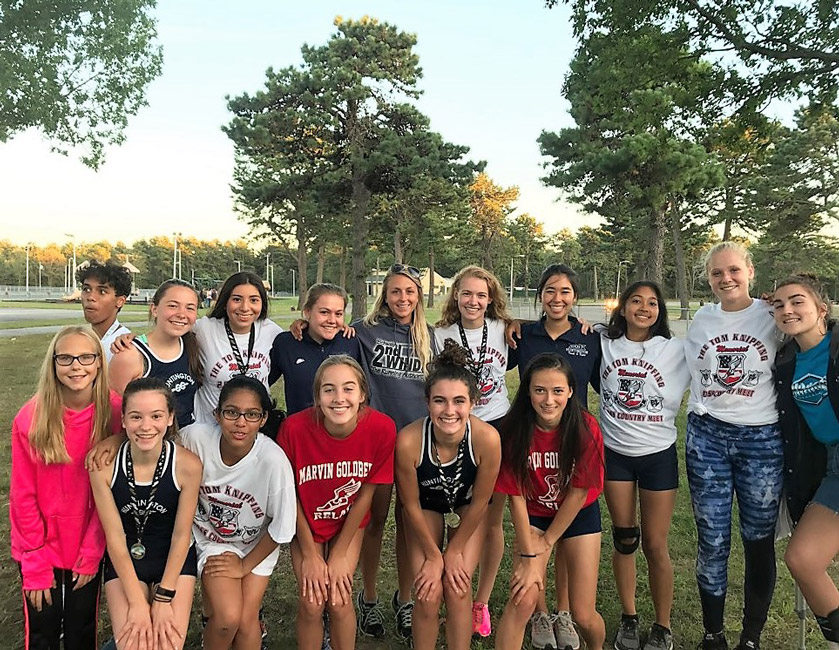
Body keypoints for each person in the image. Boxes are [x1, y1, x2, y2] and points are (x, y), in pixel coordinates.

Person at [684, 241, 782, 650]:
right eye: (717, 273)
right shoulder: (702, 320)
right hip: (707, 437)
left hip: (761, 438)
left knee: (758, 540)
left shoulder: (773, 315)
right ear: (708, 279)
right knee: (713, 540)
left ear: (750, 271)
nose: (726, 279)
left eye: (733, 271)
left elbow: (813, 329)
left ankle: (751, 637)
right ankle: (713, 634)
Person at [10, 325, 122, 650]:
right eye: (66, 358)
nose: (77, 366)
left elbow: (112, 493)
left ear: (100, 362)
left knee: (81, 627)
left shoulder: (115, 413)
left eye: (86, 357)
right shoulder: (31, 417)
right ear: (54, 364)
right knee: (43, 630)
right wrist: (33, 559)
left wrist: (91, 550)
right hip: (40, 545)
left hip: (88, 540)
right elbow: (23, 494)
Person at [508, 263, 601, 650]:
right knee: (538, 543)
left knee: (562, 544)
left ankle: (564, 612)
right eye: (549, 290)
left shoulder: (589, 338)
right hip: (534, 445)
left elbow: (610, 376)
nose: (557, 298)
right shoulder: (523, 334)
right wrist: (507, 320)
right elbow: (488, 356)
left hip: (571, 442)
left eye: (564, 291)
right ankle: (543, 614)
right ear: (540, 295)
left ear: (575, 297)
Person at [278, 355, 397, 650]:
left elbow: (366, 495)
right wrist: (311, 555)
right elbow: (289, 494)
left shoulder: (381, 428)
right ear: (317, 396)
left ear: (363, 394)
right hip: (305, 521)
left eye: (348, 388)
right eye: (329, 389)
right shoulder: (294, 429)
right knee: (311, 601)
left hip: (349, 523)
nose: (339, 398)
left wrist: (340, 554)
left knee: (339, 598)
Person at [598, 281, 689, 650]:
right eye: (636, 300)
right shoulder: (603, 342)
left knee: (654, 543)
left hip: (658, 454)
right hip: (615, 453)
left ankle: (662, 625)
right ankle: (629, 618)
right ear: (623, 307)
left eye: (652, 303)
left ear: (659, 312)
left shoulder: (676, 349)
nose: (644, 308)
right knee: (625, 539)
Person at [494, 353, 605, 650]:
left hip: (577, 514)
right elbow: (514, 495)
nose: (548, 400)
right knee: (522, 600)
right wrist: (531, 556)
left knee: (584, 613)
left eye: (557, 391)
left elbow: (581, 491)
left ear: (571, 391)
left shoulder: (585, 426)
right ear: (527, 390)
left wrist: (549, 540)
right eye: (539, 390)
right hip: (533, 515)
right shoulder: (513, 429)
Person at [396, 340, 501, 650]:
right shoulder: (408, 441)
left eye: (459, 401)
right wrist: (432, 555)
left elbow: (482, 501)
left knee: (457, 588)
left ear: (473, 402)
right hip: (425, 507)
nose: (450, 410)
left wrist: (453, 552)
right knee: (427, 593)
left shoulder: (487, 440)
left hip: (467, 507)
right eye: (440, 401)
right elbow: (410, 504)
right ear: (427, 402)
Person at [179, 374, 296, 650]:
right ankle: (211, 622)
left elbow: (283, 527)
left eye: (251, 414)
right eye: (231, 412)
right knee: (226, 620)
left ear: (263, 419)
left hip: (257, 545)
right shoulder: (195, 439)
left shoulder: (273, 461)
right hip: (213, 541)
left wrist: (244, 565)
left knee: (246, 624)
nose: (241, 423)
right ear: (217, 414)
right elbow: (158, 448)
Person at [353, 263, 438, 642]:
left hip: (416, 444)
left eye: (410, 292)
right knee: (374, 520)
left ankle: (404, 600)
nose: (403, 298)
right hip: (377, 442)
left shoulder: (429, 337)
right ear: (384, 296)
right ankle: (368, 597)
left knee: (409, 524)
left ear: (418, 296)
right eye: (395, 291)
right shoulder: (363, 332)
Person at [89, 377, 201, 650]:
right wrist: (138, 603)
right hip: (126, 559)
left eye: (156, 416)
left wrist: (163, 598)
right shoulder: (103, 467)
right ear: (124, 420)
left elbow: (181, 534)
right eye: (136, 417)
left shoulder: (188, 465)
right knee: (133, 643)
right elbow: (114, 537)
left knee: (166, 644)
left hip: (173, 560)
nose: (146, 426)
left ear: (170, 418)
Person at [433, 265, 512, 637]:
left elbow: (545, 322)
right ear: (456, 296)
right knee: (461, 511)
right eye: (467, 293)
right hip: (453, 428)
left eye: (481, 295)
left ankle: (480, 600)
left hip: (495, 426)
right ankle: (450, 587)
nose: (474, 301)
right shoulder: (440, 334)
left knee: (491, 519)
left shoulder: (504, 330)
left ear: (491, 299)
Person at [772, 274, 839, 649]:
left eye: (797, 301)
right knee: (802, 558)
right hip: (829, 465)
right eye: (779, 305)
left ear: (822, 309)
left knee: (804, 558)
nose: (787, 309)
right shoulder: (786, 360)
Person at [108, 279, 202, 428]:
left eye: (190, 308)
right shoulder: (130, 355)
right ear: (154, 309)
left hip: (187, 439)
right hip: (149, 443)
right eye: (173, 306)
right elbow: (114, 413)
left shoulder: (193, 345)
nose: (182, 314)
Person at [192, 271, 282, 424]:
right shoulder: (204, 329)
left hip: (253, 429)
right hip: (209, 428)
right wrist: (137, 339)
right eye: (236, 299)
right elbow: (167, 332)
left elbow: (302, 341)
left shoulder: (271, 331)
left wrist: (301, 325)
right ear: (225, 301)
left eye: (254, 300)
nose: (245, 307)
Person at [269, 283, 361, 415]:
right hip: (301, 429)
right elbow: (263, 381)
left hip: (342, 429)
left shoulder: (351, 341)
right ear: (307, 312)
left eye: (338, 314)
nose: (332, 320)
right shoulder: (286, 343)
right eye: (324, 312)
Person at [76, 260, 133, 362]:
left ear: (120, 301)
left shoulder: (124, 347)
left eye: (102, 291)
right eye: (86, 289)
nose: (91, 297)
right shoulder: (79, 340)